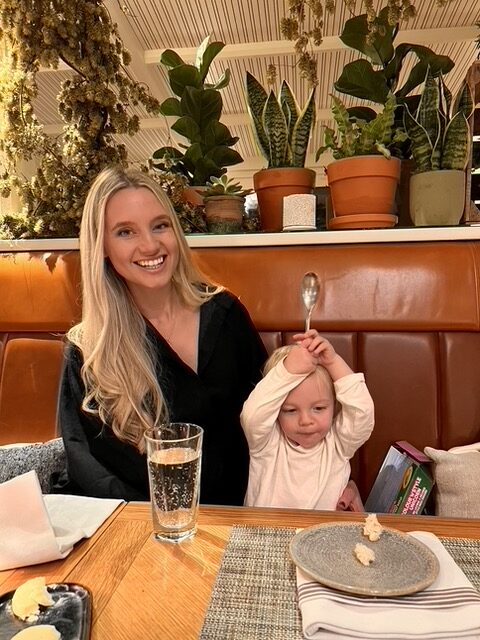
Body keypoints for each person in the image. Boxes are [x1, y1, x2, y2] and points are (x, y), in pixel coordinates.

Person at [57, 166, 267, 505]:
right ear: (103, 247)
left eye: (160, 225)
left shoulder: (226, 315)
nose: (150, 245)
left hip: (237, 519)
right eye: (126, 232)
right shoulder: (86, 350)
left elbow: (277, 416)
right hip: (136, 528)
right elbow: (89, 470)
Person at [240, 331, 374, 510]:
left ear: (334, 406)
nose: (305, 421)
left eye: (318, 408)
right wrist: (288, 372)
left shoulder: (338, 444)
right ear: (276, 411)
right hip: (267, 535)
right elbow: (252, 415)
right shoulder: (267, 444)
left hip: (323, 536)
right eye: (290, 410)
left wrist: (332, 362)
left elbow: (362, 412)